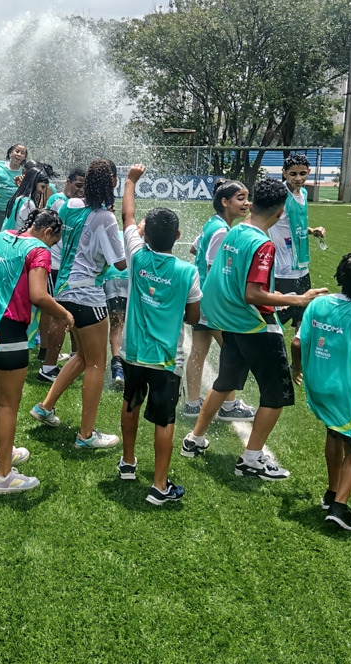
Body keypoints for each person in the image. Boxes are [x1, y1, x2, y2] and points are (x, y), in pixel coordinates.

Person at [180, 178, 327, 479]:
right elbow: (252, 293)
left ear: (253, 202)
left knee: (224, 382)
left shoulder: (235, 232)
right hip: (255, 325)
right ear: (281, 211)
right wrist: (297, 298)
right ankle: (251, 459)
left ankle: (194, 439)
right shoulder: (263, 243)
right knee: (276, 394)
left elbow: (221, 281)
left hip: (232, 323)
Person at [0, 209, 73, 494]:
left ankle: (3, 454)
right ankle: (2, 475)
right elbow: (38, 296)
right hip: (7, 332)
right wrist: (64, 314)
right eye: (53, 242)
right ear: (48, 232)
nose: (50, 248)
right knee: (7, 403)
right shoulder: (38, 250)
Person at [116, 165, 201, 504]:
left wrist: (131, 181)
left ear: (145, 235)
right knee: (164, 420)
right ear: (179, 236)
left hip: (133, 352)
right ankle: (160, 485)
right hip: (167, 359)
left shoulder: (136, 256)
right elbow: (194, 316)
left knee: (131, 403)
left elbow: (127, 214)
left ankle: (127, 461)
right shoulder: (187, 271)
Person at [31, 159, 126, 449]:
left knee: (83, 357)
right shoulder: (105, 218)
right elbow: (119, 263)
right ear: (111, 182)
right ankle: (86, 435)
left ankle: (45, 407)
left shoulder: (69, 206)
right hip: (88, 294)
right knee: (97, 363)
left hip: (63, 292)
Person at [291, 250, 351, 531]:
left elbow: (297, 344)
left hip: (321, 385)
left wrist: (297, 369)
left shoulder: (318, 304)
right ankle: (339, 508)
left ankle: (332, 492)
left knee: (334, 432)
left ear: (341, 276)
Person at [183, 178, 257, 422]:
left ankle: (193, 403)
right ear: (224, 201)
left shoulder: (213, 224)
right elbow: (218, 272)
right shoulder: (222, 230)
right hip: (212, 302)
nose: (246, 202)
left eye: (247, 197)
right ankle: (228, 405)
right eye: (240, 198)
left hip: (200, 299)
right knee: (232, 352)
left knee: (198, 351)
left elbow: (195, 250)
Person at [37, 167, 85, 381]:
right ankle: (47, 362)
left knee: (71, 312)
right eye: (78, 186)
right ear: (68, 182)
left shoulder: (78, 205)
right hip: (55, 264)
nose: (81, 191)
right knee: (55, 314)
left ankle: (74, 356)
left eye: (84, 187)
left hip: (67, 266)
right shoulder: (58, 201)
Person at [270, 153, 327, 328]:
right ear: (284, 173)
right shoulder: (278, 195)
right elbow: (262, 220)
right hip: (282, 270)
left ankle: (299, 355)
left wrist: (312, 231)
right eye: (293, 174)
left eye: (303, 173)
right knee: (275, 322)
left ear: (309, 172)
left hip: (302, 267)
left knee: (302, 323)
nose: (298, 178)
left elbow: (295, 227)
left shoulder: (302, 193)